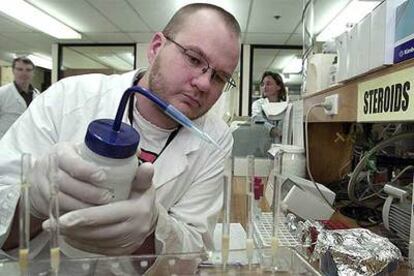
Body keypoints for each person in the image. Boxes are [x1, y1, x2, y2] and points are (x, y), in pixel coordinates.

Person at [0, 3, 240, 260]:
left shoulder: (216, 138)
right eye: (194, 59)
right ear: (156, 47)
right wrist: (33, 202)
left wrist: (152, 228)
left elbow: (193, 253)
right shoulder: (68, 97)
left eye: (219, 78)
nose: (204, 83)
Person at [0, 57, 40, 138]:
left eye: (28, 70)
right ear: (13, 71)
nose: (24, 73)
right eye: (19, 69)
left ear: (33, 73)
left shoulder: (37, 95)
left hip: (27, 141)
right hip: (5, 141)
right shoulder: (2, 93)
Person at [251, 71, 287, 142]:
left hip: (282, 145)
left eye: (268, 84)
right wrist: (273, 129)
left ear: (278, 86)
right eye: (263, 84)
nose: (264, 87)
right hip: (262, 145)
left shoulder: (286, 106)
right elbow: (257, 119)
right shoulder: (258, 104)